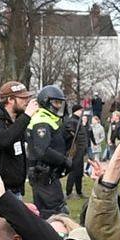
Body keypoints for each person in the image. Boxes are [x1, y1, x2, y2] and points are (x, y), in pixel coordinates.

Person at [27, 85, 71, 217]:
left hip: (48, 175)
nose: (58, 106)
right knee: (56, 214)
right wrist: (64, 161)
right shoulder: (41, 121)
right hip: (44, 176)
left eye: (60, 103)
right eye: (56, 102)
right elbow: (42, 150)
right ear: (46, 102)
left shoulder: (49, 119)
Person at [64, 104, 93, 199]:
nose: (82, 112)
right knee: (73, 171)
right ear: (77, 111)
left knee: (79, 172)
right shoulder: (72, 121)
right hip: (75, 151)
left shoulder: (78, 121)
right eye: (81, 110)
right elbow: (70, 135)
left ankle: (79, 191)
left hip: (80, 151)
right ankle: (68, 193)